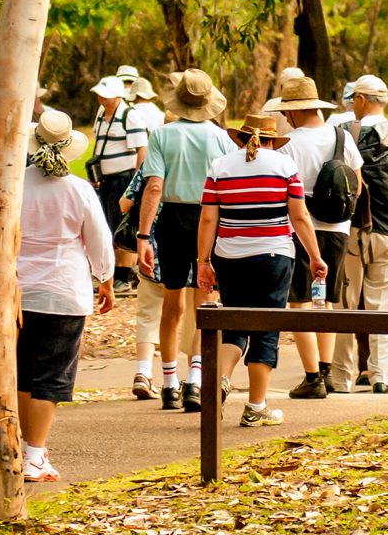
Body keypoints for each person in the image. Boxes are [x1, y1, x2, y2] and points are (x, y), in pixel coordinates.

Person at [198, 115, 325, 427]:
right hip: (274, 257)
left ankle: (222, 380)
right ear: (271, 138)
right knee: (266, 328)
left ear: (241, 137)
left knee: (235, 324)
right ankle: (256, 406)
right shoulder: (285, 167)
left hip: (229, 257)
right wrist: (315, 257)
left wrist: (203, 261)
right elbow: (300, 217)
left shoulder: (220, 167)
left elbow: (207, 220)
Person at [17, 111, 116, 481]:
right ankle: (35, 455)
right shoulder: (77, 189)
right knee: (52, 376)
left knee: (24, 374)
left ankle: (28, 449)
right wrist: (104, 278)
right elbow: (99, 240)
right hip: (63, 289)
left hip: (18, 288)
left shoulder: (17, 183)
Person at [135, 69, 234, 411]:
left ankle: (167, 382)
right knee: (204, 302)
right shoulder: (222, 138)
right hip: (209, 219)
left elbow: (154, 187)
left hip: (172, 220)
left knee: (171, 304)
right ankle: (196, 380)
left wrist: (143, 235)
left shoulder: (161, 135)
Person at [329, 75, 388, 394]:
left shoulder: (342, 136)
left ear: (360, 99)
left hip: (350, 232)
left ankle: (341, 376)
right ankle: (381, 375)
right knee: (383, 307)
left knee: (345, 306)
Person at [266, 76, 361, 399]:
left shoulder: (288, 143)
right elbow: (357, 184)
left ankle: (311, 377)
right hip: (338, 228)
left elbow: (283, 192)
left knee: (300, 301)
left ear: (292, 112)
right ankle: (326, 370)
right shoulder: (343, 138)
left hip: (299, 228)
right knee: (328, 300)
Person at [91, 75, 150, 295]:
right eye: (99, 94)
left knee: (123, 226)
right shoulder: (101, 114)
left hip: (123, 179)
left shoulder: (129, 115)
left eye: (106, 96)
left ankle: (124, 276)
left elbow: (141, 149)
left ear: (117, 97)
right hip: (105, 179)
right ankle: (112, 273)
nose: (101, 98)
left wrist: (136, 182)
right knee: (107, 225)